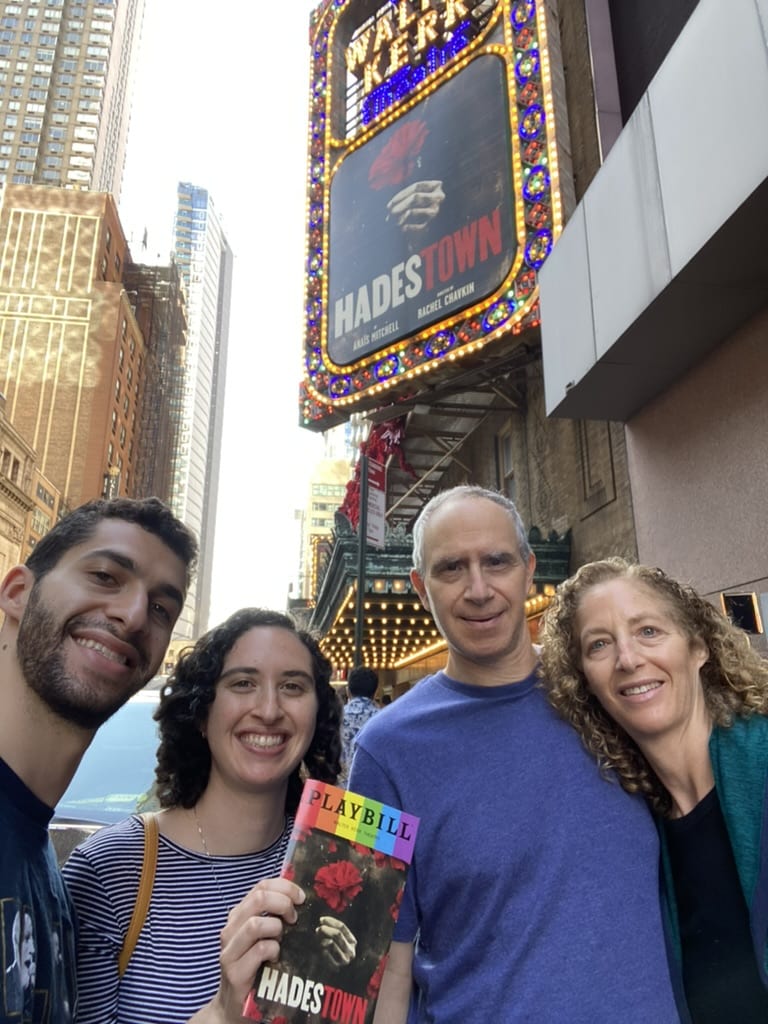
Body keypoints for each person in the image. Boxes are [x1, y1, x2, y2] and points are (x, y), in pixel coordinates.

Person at [348, 485, 680, 1023]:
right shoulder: (382, 753)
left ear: (528, 570)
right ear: (420, 587)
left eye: (496, 562)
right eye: (451, 568)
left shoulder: (614, 693)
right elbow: (380, 964)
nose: (479, 589)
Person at [62, 607, 343, 1023]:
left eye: (292, 686)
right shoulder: (108, 872)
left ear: (317, 713)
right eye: (243, 683)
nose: (268, 709)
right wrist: (223, 1011)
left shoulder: (334, 863)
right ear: (200, 713)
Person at [540, 557, 768, 1022]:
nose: (628, 659)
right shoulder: (633, 826)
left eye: (648, 632)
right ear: (584, 679)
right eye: (599, 644)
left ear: (698, 647)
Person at [0, 495, 197, 1023]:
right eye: (106, 576)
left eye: (161, 608)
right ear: (18, 593)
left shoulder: (47, 875)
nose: (134, 616)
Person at [338, 666, 380, 786]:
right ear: (375, 692)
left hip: (334, 796)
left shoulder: (334, 718)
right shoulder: (385, 719)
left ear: (348, 691)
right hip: (372, 795)